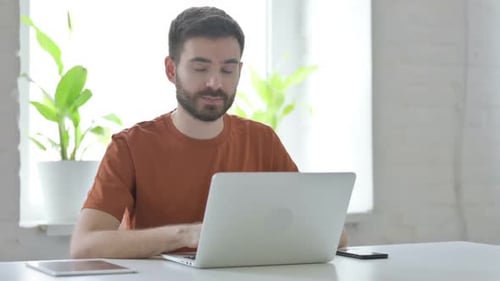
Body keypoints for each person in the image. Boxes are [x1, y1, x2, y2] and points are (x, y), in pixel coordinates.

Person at [70, 6, 348, 259]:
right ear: (171, 69)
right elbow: (85, 246)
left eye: (228, 70)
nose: (215, 83)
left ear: (239, 72)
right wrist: (186, 235)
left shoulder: (263, 141)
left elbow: (335, 236)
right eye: (200, 68)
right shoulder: (130, 146)